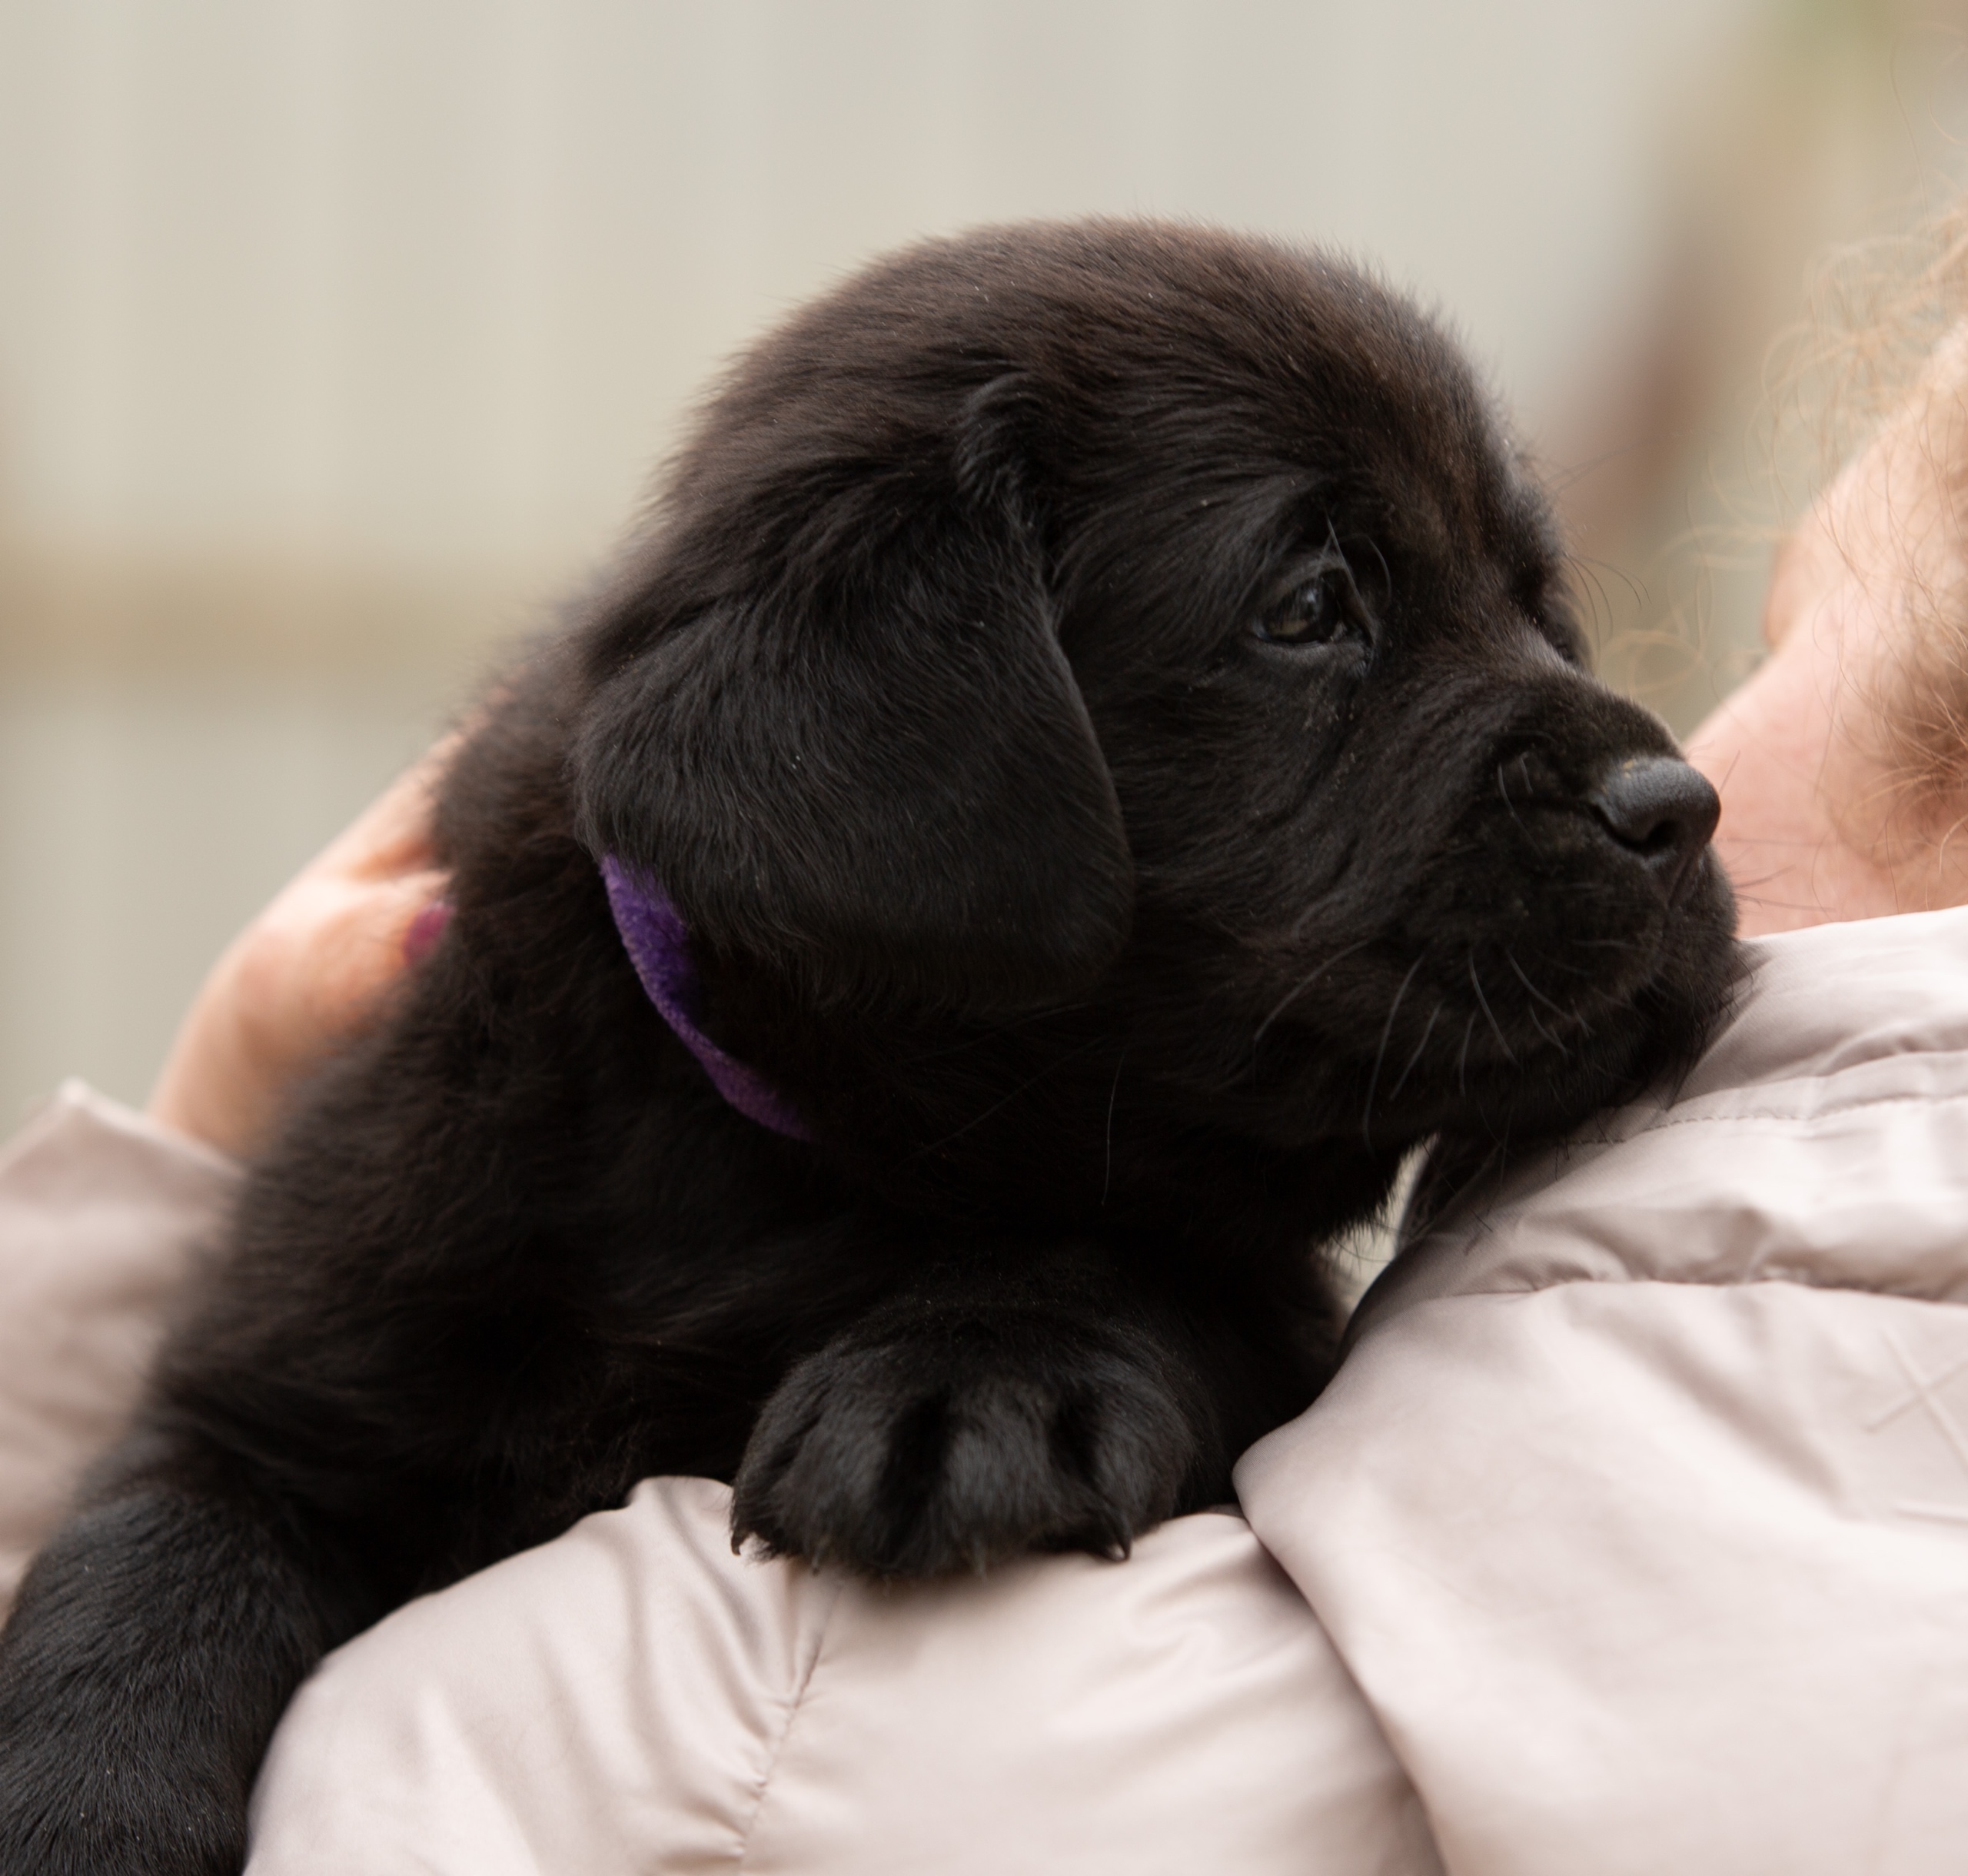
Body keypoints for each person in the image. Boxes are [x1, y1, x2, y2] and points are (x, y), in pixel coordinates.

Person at [7, 334, 1968, 1873]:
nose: (1656, 780)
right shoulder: (453, 1163)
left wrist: (1108, 1329)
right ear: (901, 766)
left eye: (1532, 613)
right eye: (1317, 613)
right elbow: (246, 1474)